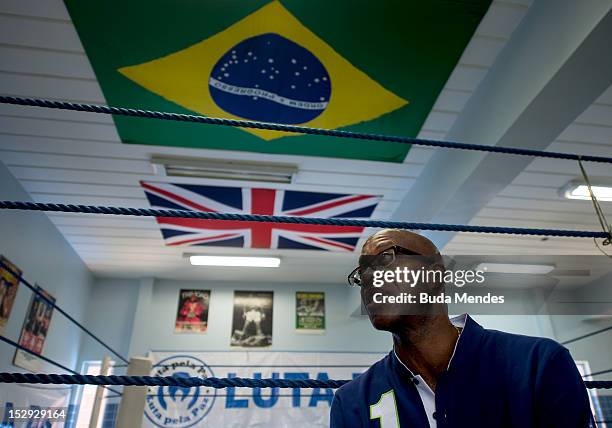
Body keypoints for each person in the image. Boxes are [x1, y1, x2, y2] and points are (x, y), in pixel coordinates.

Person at [331, 229, 594, 427]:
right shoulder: (352, 401)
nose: (370, 278)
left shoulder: (537, 363)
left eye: (386, 259)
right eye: (362, 272)